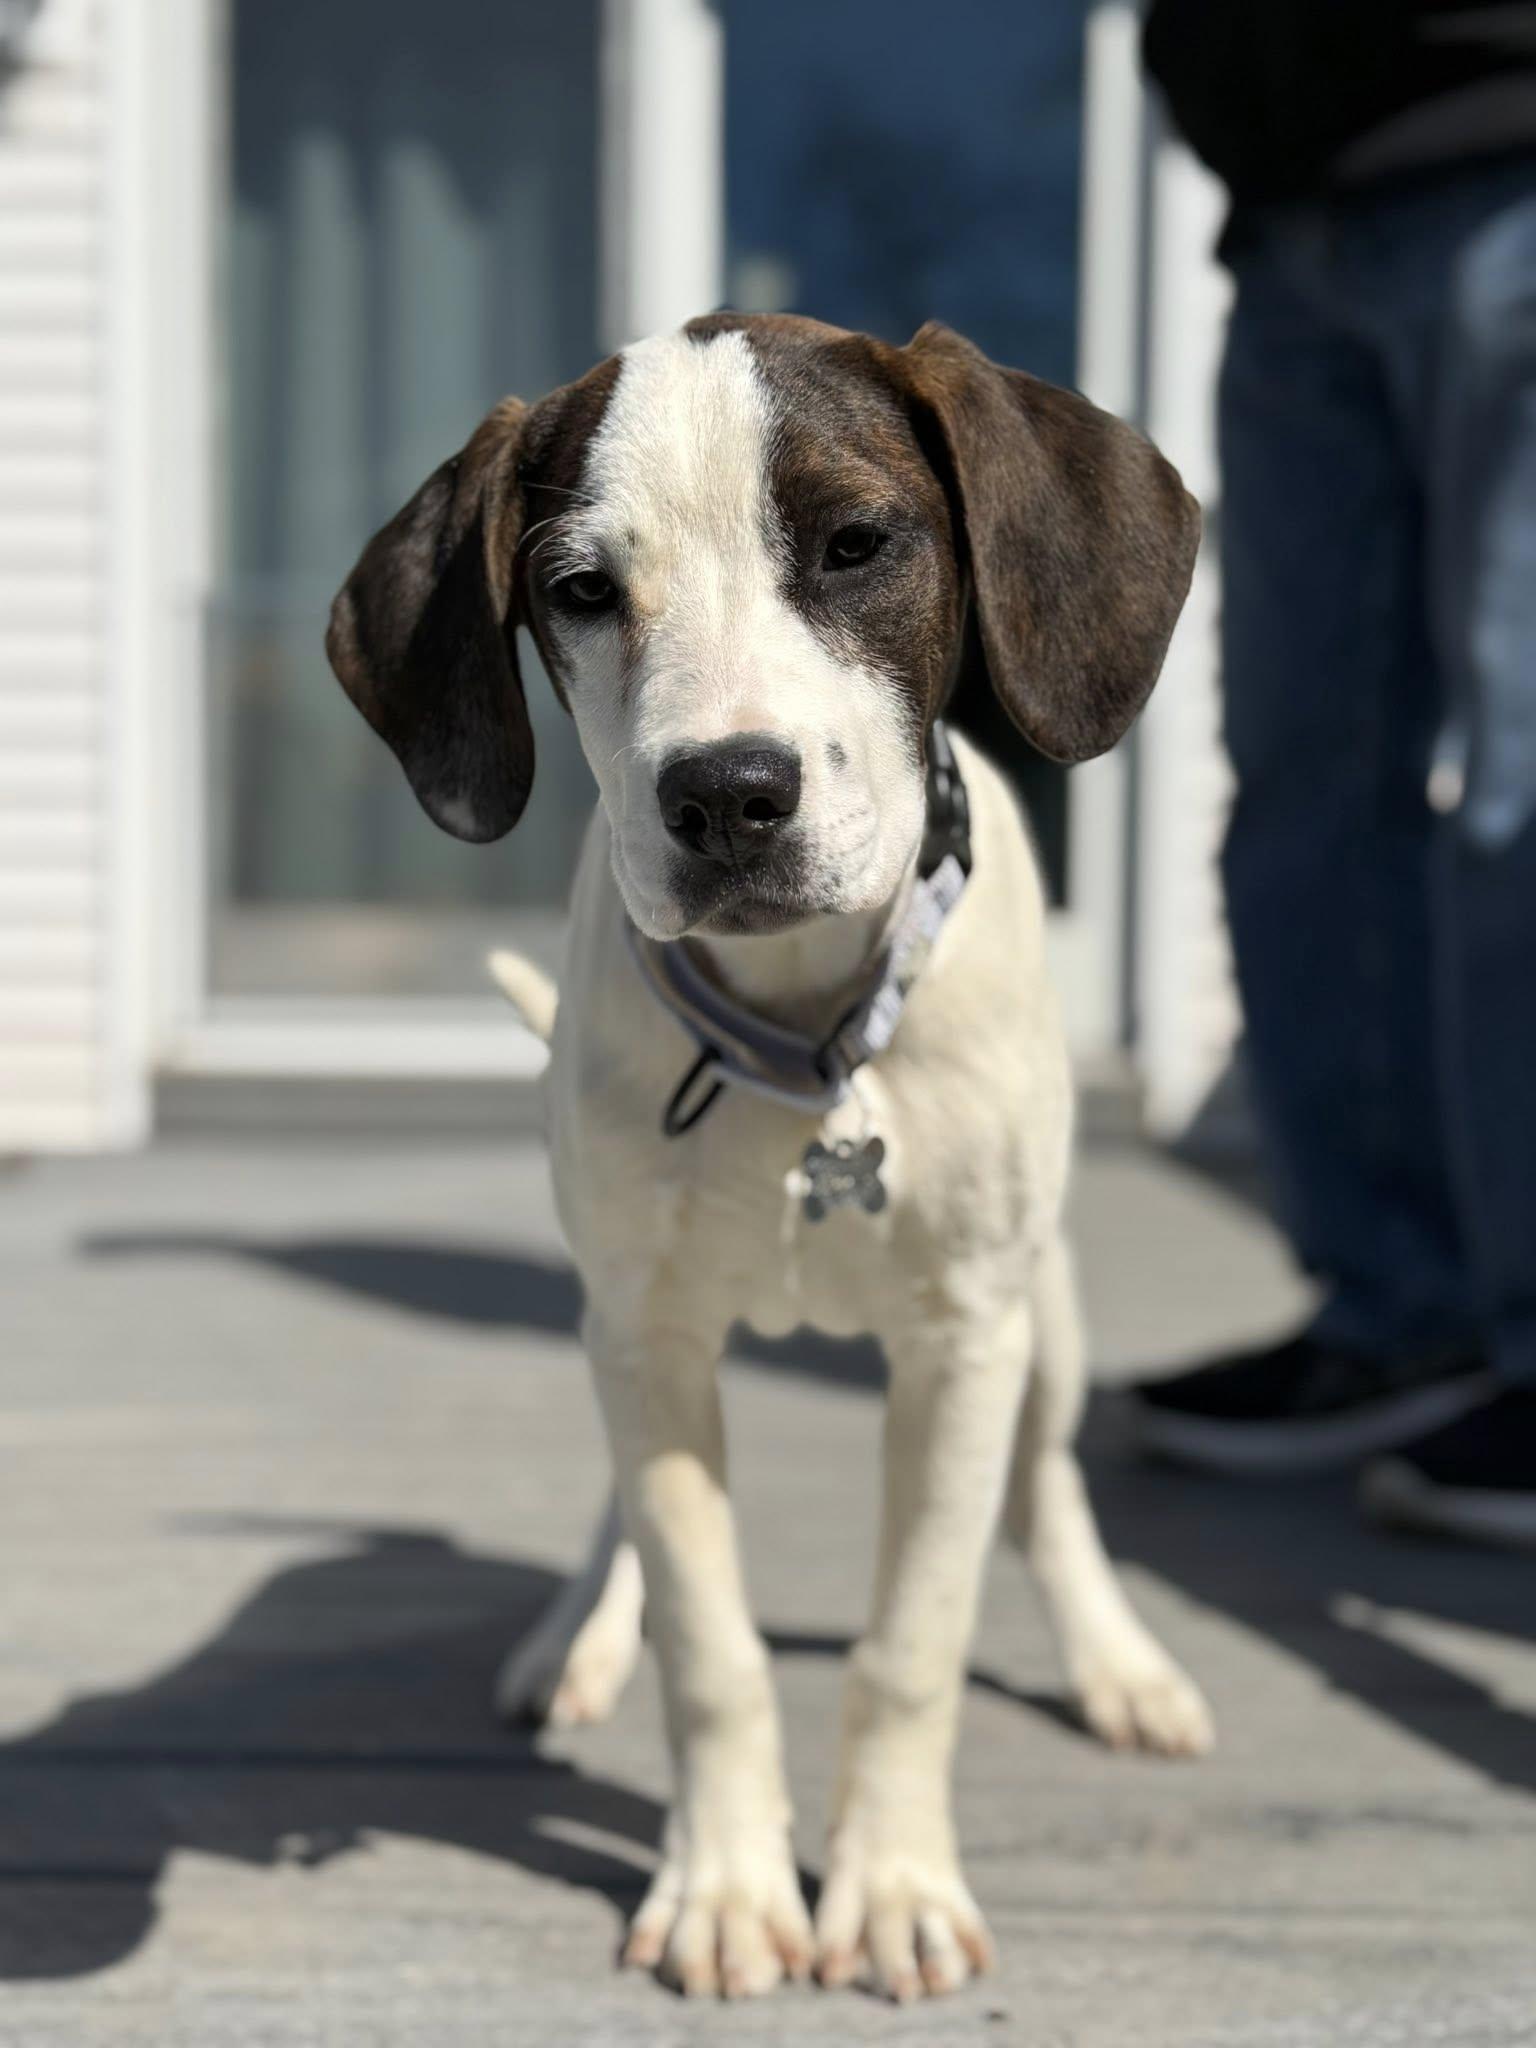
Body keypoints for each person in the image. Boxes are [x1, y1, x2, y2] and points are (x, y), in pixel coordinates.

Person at [1130, 0, 1536, 1546]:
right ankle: (1398, 1312)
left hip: (1513, 147)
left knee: (1525, 786)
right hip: (1288, 200)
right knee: (1299, 782)